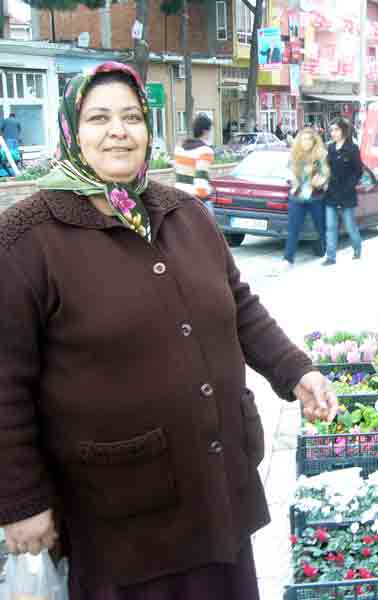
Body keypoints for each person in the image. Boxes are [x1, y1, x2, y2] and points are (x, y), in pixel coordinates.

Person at [0, 62, 337, 598]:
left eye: (132, 117)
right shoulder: (26, 238)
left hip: (215, 491)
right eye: (99, 118)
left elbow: (240, 307)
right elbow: (5, 385)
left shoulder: (186, 215)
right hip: (122, 517)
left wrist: (297, 370)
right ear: (71, 129)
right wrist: (20, 499)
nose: (119, 131)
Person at [281, 127, 329, 270]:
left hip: (316, 197)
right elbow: (287, 173)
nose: (305, 142)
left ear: (314, 141)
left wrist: (319, 180)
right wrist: (291, 180)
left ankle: (328, 254)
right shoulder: (294, 155)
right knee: (293, 229)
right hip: (297, 197)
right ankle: (288, 258)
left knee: (321, 227)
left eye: (309, 139)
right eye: (303, 139)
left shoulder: (321, 155)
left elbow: (325, 175)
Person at [323, 117, 363, 265]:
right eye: (331, 130)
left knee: (350, 224)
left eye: (336, 129)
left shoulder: (352, 149)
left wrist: (349, 186)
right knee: (331, 227)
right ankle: (330, 257)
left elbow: (358, 171)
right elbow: (326, 168)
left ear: (343, 131)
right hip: (331, 194)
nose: (333, 133)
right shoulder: (330, 148)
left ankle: (357, 248)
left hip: (347, 194)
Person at [174, 113, 215, 213]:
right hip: (196, 201)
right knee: (210, 228)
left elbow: (178, 174)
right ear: (205, 131)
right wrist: (208, 194)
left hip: (179, 197)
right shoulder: (205, 151)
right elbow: (200, 180)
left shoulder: (179, 148)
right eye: (210, 130)